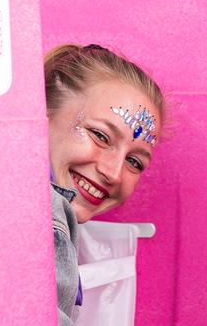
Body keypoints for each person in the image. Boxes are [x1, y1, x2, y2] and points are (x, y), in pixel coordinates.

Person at [44, 44, 164, 325]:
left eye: (134, 162)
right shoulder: (47, 221)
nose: (114, 173)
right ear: (41, 116)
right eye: (100, 135)